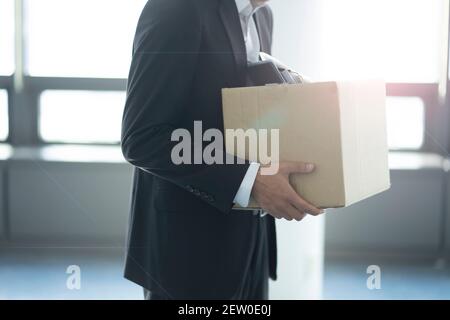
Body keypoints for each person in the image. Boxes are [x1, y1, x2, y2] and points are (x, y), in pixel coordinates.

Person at [121, 0, 322, 300]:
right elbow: (142, 137)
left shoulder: (263, 16)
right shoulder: (176, 8)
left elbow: (242, 118)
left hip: (252, 238)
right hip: (187, 248)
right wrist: (250, 179)